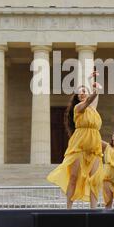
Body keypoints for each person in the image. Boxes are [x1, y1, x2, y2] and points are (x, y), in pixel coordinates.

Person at [47, 71, 104, 209]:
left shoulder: (93, 109)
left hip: (94, 147)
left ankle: (94, 209)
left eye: (84, 91)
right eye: (80, 92)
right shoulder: (79, 108)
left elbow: (94, 99)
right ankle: (69, 208)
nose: (82, 93)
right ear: (77, 97)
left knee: (94, 179)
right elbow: (91, 98)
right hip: (79, 146)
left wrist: (92, 80)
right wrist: (96, 89)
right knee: (73, 177)